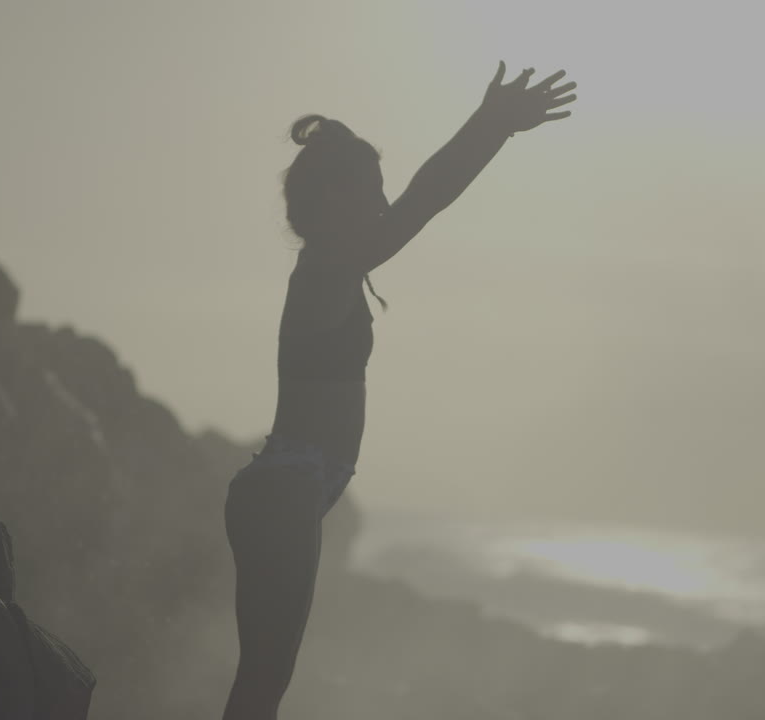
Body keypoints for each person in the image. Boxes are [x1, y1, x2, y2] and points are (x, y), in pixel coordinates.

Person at [221, 60, 578, 720]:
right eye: (369, 191)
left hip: (284, 492)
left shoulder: (329, 271)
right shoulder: (327, 267)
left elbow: (413, 200)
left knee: (264, 683)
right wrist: (491, 125)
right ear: (332, 198)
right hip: (285, 490)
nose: (382, 206)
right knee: (263, 686)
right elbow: (426, 197)